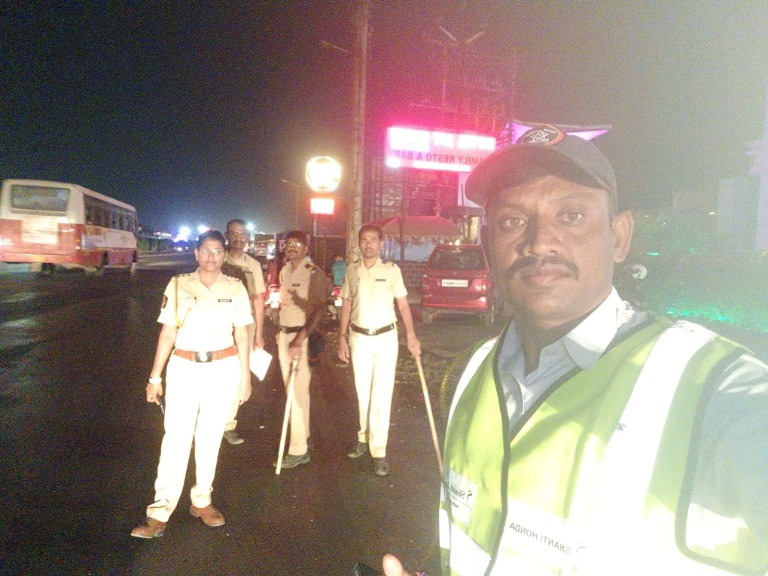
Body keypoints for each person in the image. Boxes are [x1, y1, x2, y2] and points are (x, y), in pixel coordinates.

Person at [383, 125, 768, 575]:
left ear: (619, 237)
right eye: (511, 221)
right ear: (488, 245)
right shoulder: (475, 370)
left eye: (571, 215)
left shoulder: (713, 390)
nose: (538, 242)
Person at [131, 230, 253, 539]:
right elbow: (168, 333)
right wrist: (154, 378)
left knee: (210, 437)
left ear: (224, 255)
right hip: (184, 368)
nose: (211, 256)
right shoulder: (178, 285)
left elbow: (242, 334)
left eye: (217, 251)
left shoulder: (236, 287)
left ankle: (202, 500)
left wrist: (245, 377)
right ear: (196, 253)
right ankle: (160, 511)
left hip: (223, 368)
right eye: (206, 250)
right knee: (176, 438)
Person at [337, 225, 421, 476]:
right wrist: (341, 338)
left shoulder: (392, 271)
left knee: (382, 393)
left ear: (381, 244)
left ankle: (379, 450)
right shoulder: (352, 270)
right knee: (362, 391)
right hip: (359, 337)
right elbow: (346, 304)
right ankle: (363, 437)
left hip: (386, 338)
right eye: (364, 240)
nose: (368, 244)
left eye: (373, 240)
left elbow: (403, 305)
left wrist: (411, 336)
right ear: (359, 243)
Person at [273, 230, 328, 469]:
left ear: (306, 249)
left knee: (295, 395)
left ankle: (298, 450)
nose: (292, 247)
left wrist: (298, 341)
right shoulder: (285, 270)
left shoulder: (313, 273)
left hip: (300, 339)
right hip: (285, 336)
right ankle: (304, 437)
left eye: (298, 244)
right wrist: (281, 329)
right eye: (289, 244)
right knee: (298, 393)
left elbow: (318, 309)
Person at [224, 218, 267, 441]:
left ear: (247, 238)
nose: (238, 238)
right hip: (219, 322)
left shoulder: (253, 265)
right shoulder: (217, 258)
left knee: (239, 370)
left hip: (245, 323)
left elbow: (258, 300)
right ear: (227, 235)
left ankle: (228, 424)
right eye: (234, 234)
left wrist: (258, 333)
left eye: (242, 235)